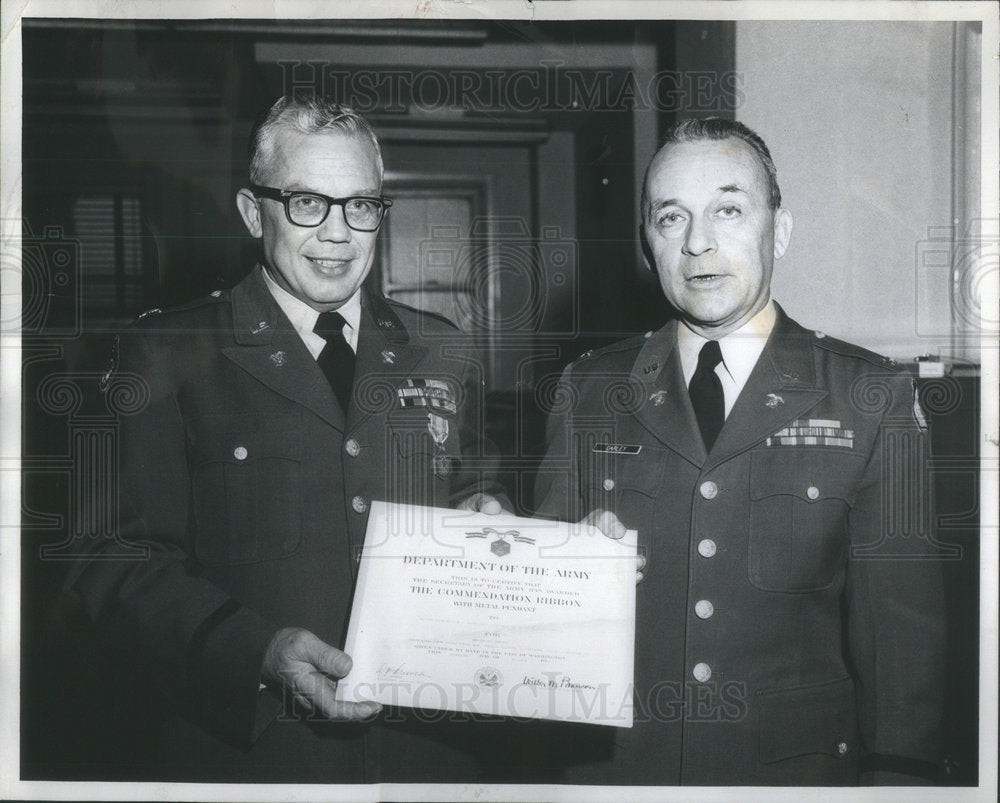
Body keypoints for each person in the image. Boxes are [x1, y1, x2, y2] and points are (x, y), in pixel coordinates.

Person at [66, 95, 509, 783]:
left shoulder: (441, 348)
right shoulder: (166, 351)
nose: (337, 232)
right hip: (255, 758)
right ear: (253, 212)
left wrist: (488, 511)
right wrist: (258, 651)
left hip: (431, 755)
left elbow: (473, 481)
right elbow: (114, 562)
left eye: (360, 204)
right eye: (307, 201)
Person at [534, 118, 945, 785]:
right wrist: (566, 576)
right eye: (671, 218)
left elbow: (903, 642)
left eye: (728, 209)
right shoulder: (587, 389)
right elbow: (532, 627)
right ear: (647, 242)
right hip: (616, 773)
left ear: (778, 230)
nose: (699, 242)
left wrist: (901, 779)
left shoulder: (869, 396)